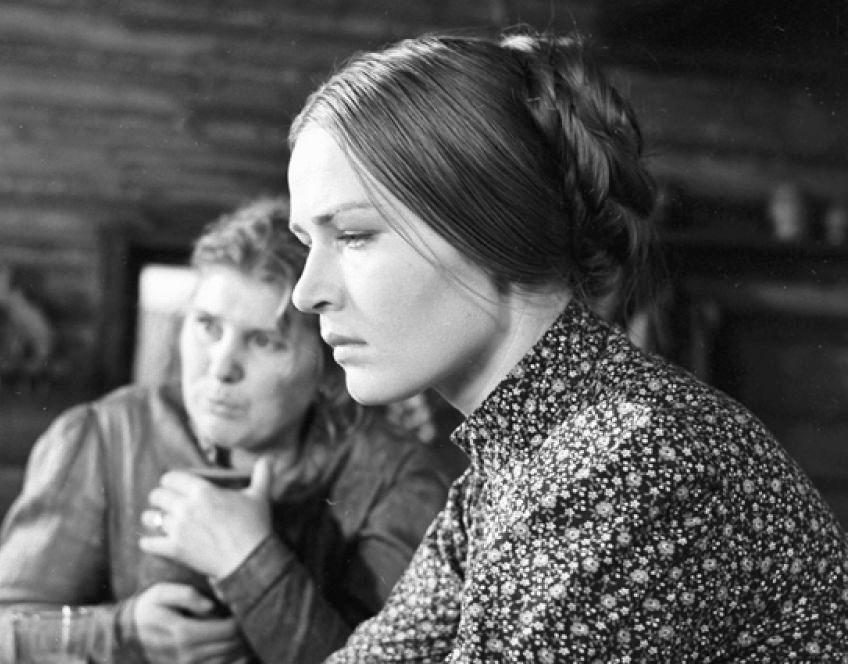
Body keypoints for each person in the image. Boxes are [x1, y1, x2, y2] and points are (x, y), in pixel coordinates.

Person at [286, 30, 848, 661]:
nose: (306, 293)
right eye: (307, 242)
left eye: (354, 235)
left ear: (489, 225)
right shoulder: (515, 461)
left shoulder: (628, 463)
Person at [0, 197, 459, 664]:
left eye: (264, 341)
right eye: (208, 326)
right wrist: (124, 630)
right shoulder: (107, 436)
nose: (221, 367)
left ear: (328, 366)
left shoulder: (393, 477)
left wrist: (249, 560)